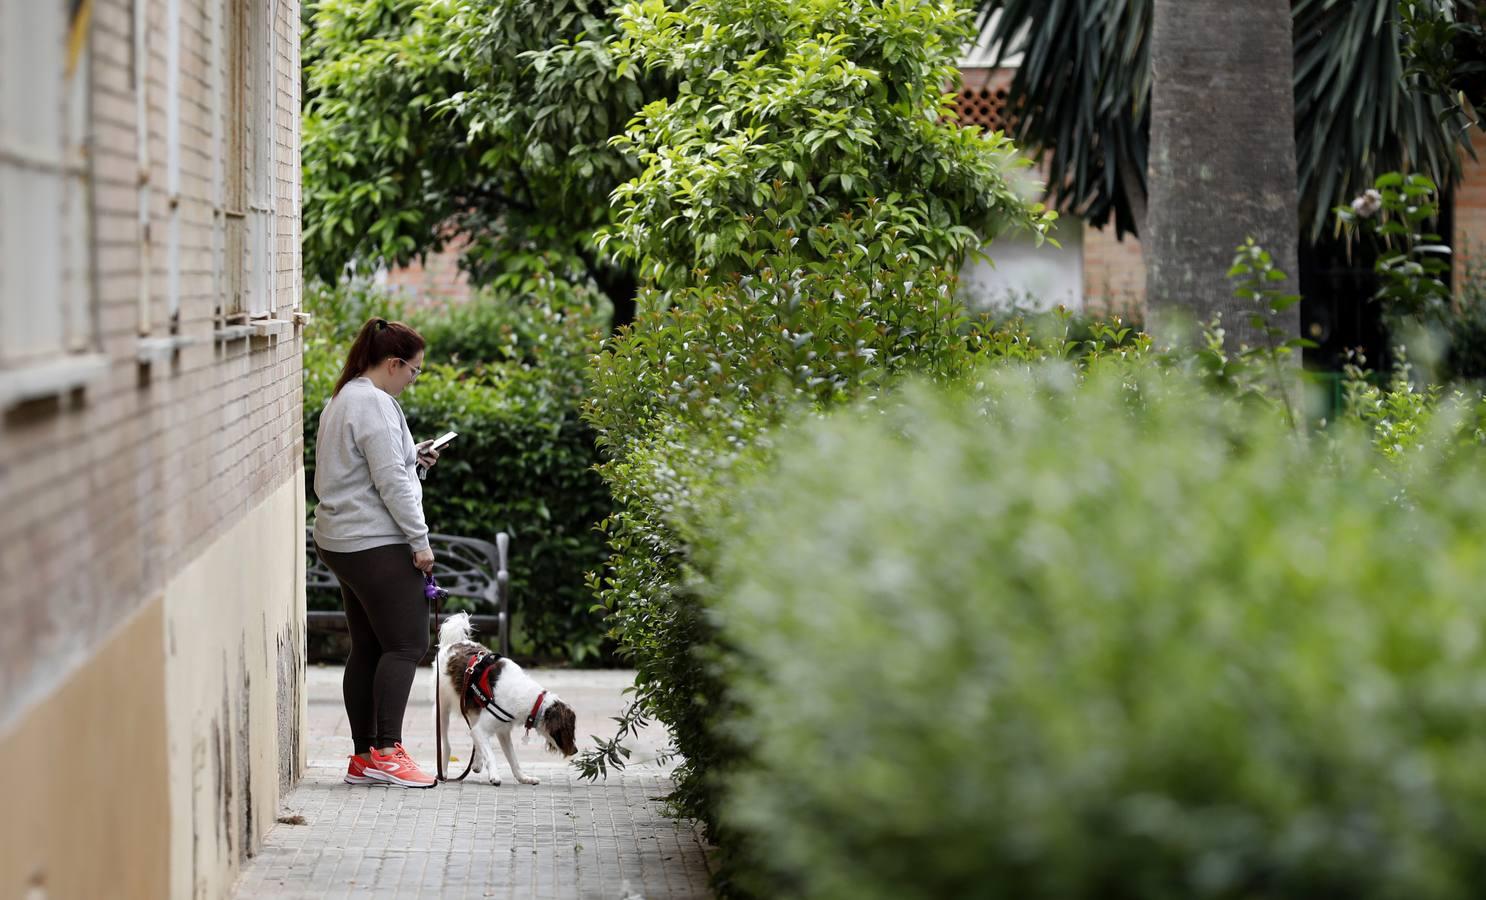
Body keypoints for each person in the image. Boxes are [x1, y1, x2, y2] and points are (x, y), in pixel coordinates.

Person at [311, 316, 444, 788]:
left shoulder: (344, 397)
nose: (413, 379)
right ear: (393, 363)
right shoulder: (376, 404)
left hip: (341, 541)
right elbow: (390, 483)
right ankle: (387, 752)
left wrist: (416, 458)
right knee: (407, 644)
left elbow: (377, 469)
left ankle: (365, 757)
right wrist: (421, 543)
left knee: (368, 645)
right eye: (414, 370)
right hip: (374, 540)